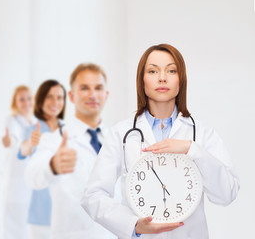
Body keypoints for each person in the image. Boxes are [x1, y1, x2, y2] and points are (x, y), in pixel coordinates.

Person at [81, 44, 240, 239]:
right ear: (142, 81)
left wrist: (193, 150)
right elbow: (93, 195)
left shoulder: (202, 134)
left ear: (181, 80)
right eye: (153, 70)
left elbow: (227, 194)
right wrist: (133, 225)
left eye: (171, 70)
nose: (162, 77)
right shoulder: (121, 134)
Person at [24, 63, 116, 239]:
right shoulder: (55, 138)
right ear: (72, 96)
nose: (92, 94)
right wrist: (52, 165)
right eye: (84, 88)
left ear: (106, 94)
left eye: (98, 88)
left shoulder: (117, 139)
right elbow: (31, 175)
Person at [17, 80, 66, 239]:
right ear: (41, 100)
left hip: (65, 210)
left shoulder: (68, 129)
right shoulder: (33, 129)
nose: (55, 102)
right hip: (41, 214)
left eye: (59, 97)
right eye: (49, 97)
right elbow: (22, 150)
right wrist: (30, 143)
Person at [0, 85, 36, 239]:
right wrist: (10, 141)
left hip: (30, 182)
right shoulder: (12, 120)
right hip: (15, 183)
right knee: (13, 226)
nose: (26, 103)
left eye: (29, 99)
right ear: (15, 102)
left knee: (27, 227)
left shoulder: (34, 122)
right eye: (21, 99)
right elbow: (13, 138)